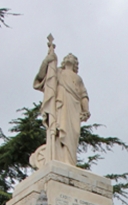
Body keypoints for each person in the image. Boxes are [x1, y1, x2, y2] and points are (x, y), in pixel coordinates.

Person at [31, 35, 90, 168]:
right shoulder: (57, 72)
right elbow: (42, 77)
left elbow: (83, 95)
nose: (70, 57)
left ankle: (69, 162)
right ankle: (58, 158)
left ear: (75, 64)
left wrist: (86, 110)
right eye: (68, 56)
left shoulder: (78, 78)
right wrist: (47, 61)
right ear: (63, 61)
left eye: (73, 58)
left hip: (74, 107)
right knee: (58, 130)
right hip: (60, 103)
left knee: (72, 135)